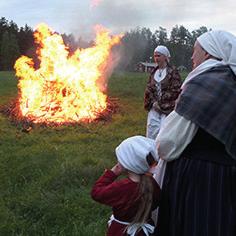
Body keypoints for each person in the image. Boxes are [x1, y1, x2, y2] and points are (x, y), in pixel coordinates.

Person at [155, 30, 236, 236]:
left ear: (208, 54)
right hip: (227, 175)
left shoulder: (206, 82)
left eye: (194, 51)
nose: (192, 57)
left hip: (199, 177)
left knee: (195, 223)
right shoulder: (231, 81)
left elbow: (169, 142)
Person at [91, 136, 161, 236]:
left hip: (121, 231)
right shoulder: (152, 184)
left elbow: (96, 193)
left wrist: (112, 173)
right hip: (145, 232)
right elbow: (157, 201)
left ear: (126, 163)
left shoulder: (121, 188)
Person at [144, 45, 182, 140]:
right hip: (154, 107)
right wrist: (153, 103)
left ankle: (164, 153)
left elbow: (175, 90)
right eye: (155, 56)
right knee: (152, 130)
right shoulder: (153, 72)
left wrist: (161, 104)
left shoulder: (172, 71)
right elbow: (149, 89)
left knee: (165, 132)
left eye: (159, 56)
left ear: (165, 57)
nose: (156, 58)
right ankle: (151, 152)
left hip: (168, 108)